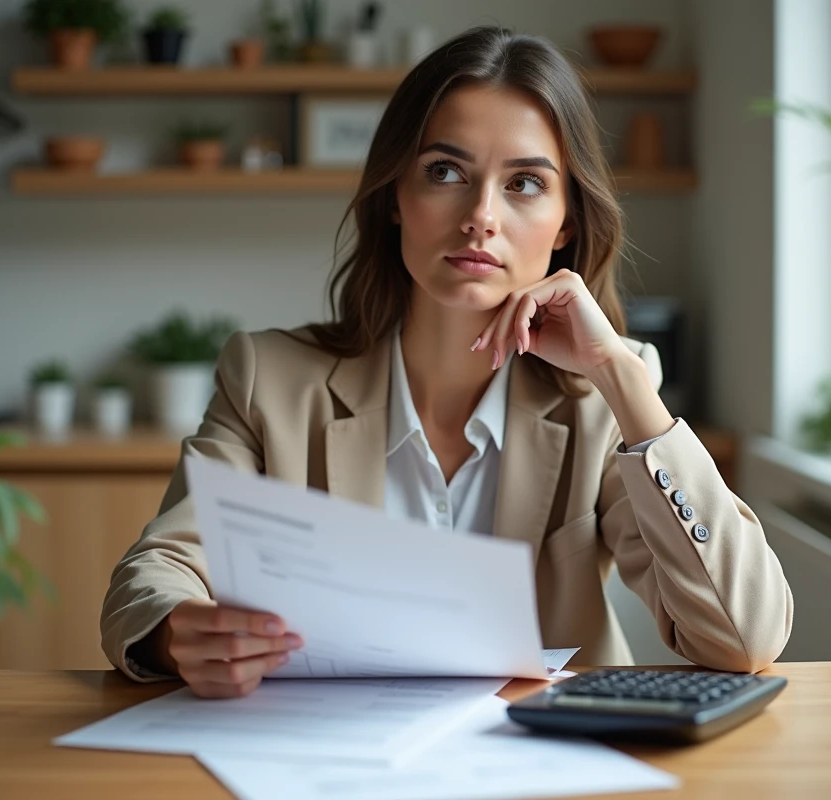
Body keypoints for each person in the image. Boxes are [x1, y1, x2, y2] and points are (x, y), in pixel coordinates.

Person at [101, 26, 793, 698]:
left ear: (568, 223)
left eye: (524, 184)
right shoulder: (269, 378)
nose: (481, 216)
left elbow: (745, 637)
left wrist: (618, 373)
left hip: (544, 764)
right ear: (397, 197)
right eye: (445, 172)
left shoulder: (604, 399)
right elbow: (157, 571)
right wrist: (177, 631)